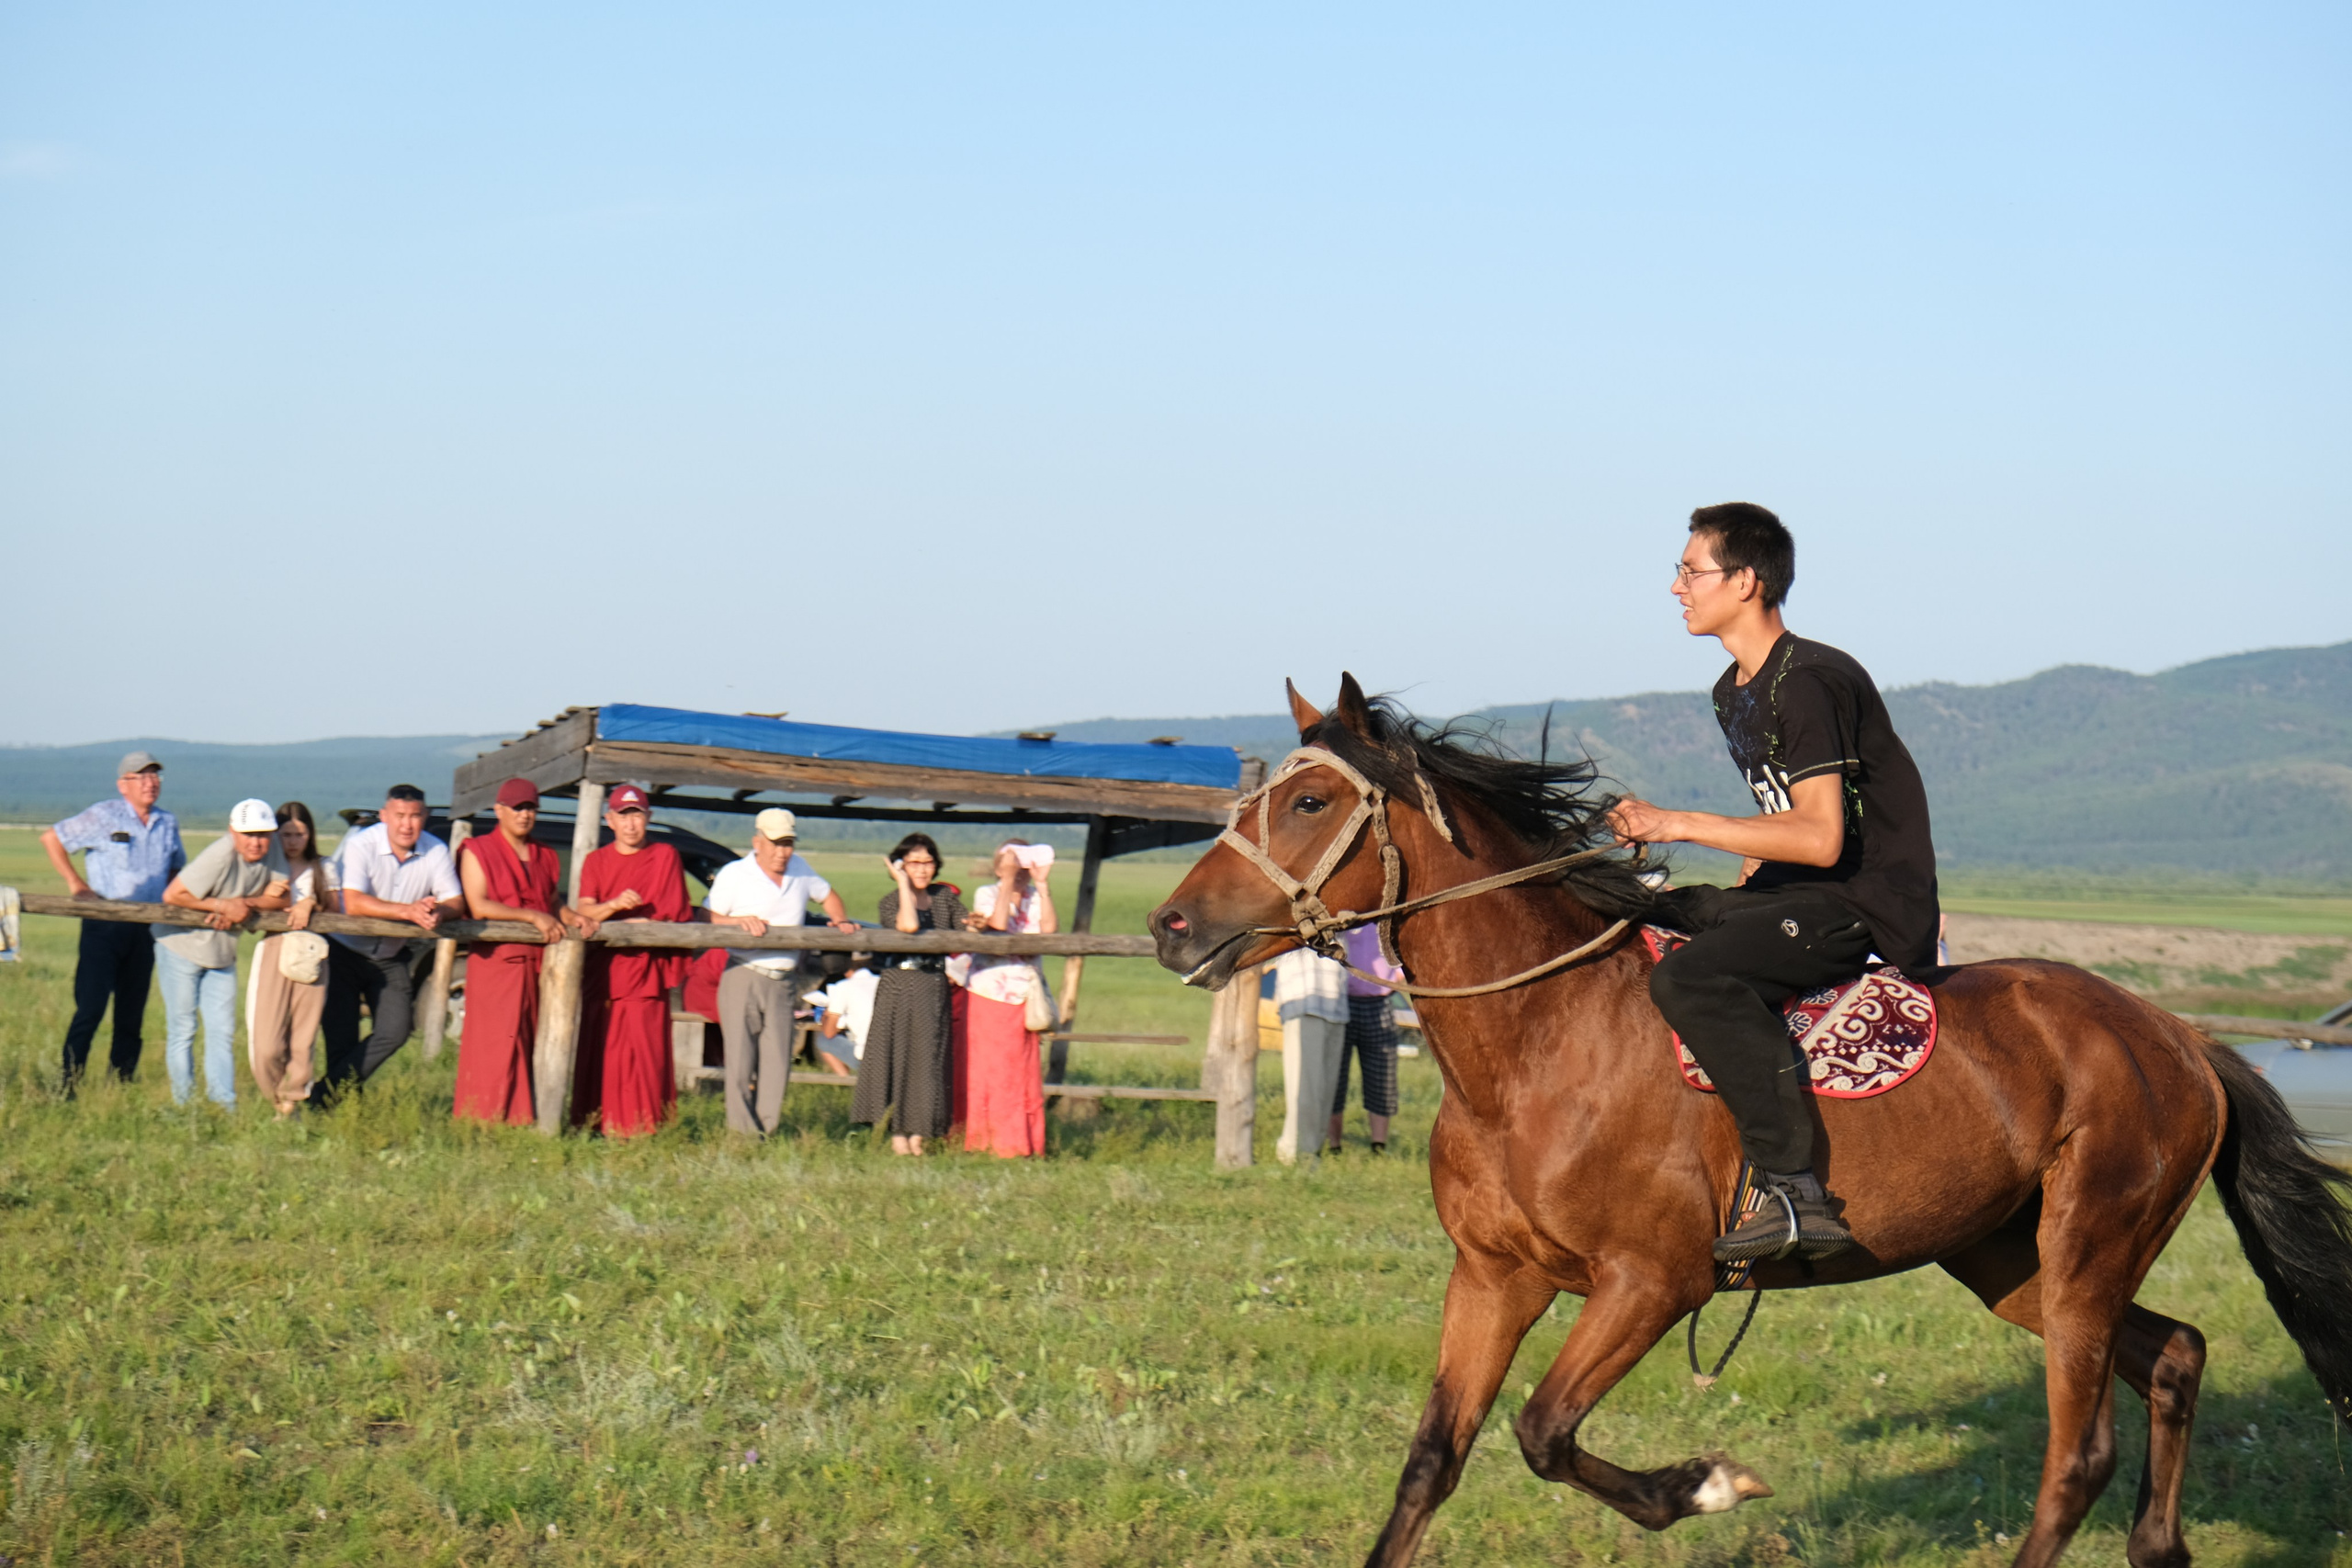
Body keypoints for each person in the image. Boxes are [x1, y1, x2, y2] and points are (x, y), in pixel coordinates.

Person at [1609, 502, 1939, 1263]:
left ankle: (1796, 1192)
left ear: (1747, 580)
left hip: (1862, 904)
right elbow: (1779, 820)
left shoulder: (1811, 680)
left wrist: (1675, 823)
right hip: (1795, 893)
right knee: (1647, 916)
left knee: (1690, 981)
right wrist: (1721, 889)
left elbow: (1822, 837)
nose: (1676, 587)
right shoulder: (1734, 689)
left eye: (1690, 571)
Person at [700, 807, 857, 1137]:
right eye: (775, 843)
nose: (782, 852)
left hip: (784, 981)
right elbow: (707, 916)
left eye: (787, 843)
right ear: (757, 842)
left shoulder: (800, 869)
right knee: (741, 1060)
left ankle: (766, 1131)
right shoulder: (735, 873)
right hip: (744, 972)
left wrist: (840, 920)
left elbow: (828, 895)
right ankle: (742, 1136)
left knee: (777, 1062)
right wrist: (738, 922)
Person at [42, 750, 185, 1091]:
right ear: (124, 785)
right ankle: (68, 1085)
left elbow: (177, 866)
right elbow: (52, 839)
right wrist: (77, 885)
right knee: (90, 1009)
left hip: (147, 928)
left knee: (131, 1014)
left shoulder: (167, 822)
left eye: (155, 776)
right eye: (142, 777)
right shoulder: (104, 815)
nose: (151, 783)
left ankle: (120, 1086)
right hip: (104, 926)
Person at [571, 784, 695, 1137]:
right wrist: (615, 908)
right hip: (605, 973)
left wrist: (642, 923)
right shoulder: (596, 861)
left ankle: (642, 1127)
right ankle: (597, 1122)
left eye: (637, 814)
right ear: (609, 820)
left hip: (644, 972)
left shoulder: (665, 856)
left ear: (648, 818)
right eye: (623, 816)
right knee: (603, 1047)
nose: (631, 824)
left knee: (645, 1051)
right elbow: (584, 911)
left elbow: (672, 912)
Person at [453, 779, 578, 1125]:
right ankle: (480, 1117)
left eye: (530, 808)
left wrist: (573, 918)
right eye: (517, 808)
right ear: (499, 811)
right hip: (496, 962)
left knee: (529, 1040)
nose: (525, 815)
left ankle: (521, 1117)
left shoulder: (545, 855)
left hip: (538, 963)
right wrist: (530, 915)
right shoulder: (477, 850)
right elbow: (478, 905)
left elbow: (553, 902)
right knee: (492, 1042)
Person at [156, 798, 291, 1108]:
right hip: (180, 946)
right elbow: (173, 894)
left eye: (263, 834)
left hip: (222, 953)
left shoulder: (274, 851)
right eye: (249, 834)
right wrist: (221, 905)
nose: (256, 842)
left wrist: (244, 905)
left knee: (222, 1030)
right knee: (183, 1028)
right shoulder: (220, 854)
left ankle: (224, 1106)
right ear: (233, 832)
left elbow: (281, 897)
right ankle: (184, 1105)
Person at [849, 833, 966, 1156]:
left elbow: (965, 929)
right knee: (896, 1055)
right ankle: (897, 1132)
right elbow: (909, 926)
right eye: (914, 862)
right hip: (898, 985)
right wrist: (902, 884)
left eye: (928, 862)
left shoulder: (945, 898)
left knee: (927, 1059)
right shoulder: (890, 901)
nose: (922, 869)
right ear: (901, 865)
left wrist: (975, 923)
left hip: (932, 985)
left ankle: (920, 1132)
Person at [960, 840, 1057, 1158]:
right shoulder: (987, 893)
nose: (1020, 872)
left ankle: (1022, 1142)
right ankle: (990, 1142)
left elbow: (1050, 931)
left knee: (1022, 1072)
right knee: (991, 1070)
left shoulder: (1034, 897)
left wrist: (1042, 884)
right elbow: (998, 925)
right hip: (990, 993)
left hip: (1024, 995)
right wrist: (1006, 881)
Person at [245, 802, 337, 1117]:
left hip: (313, 952)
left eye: (300, 833)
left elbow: (337, 910)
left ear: (310, 834)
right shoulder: (266, 868)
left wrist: (311, 903)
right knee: (266, 1041)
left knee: (303, 1037)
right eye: (286, 834)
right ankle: (274, 1096)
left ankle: (292, 1102)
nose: (294, 841)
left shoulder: (324, 867)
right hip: (274, 947)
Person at [1329, 923, 1403, 1155]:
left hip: (1379, 1001)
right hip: (1342, 1002)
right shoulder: (1342, 921)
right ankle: (1334, 1145)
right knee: (1335, 1077)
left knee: (1382, 1074)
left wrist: (1397, 977)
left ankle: (1378, 1145)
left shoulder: (1385, 920)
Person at [1272, 944, 1350, 1164]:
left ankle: (1312, 1150)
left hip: (1335, 1000)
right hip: (1304, 998)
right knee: (1305, 1087)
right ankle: (1297, 1152)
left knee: (1325, 1089)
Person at [812, 955, 878, 1076]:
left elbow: (829, 1033)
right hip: (892, 1054)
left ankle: (845, 1080)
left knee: (823, 1041)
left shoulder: (844, 986)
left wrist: (825, 1015)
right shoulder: (883, 981)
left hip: (865, 1057)